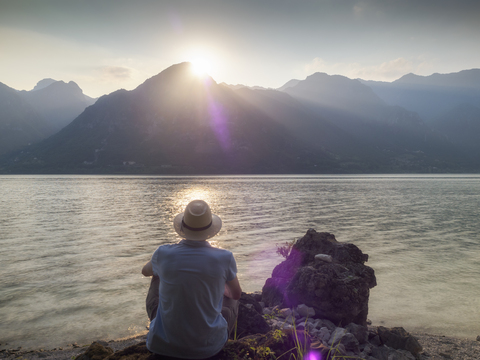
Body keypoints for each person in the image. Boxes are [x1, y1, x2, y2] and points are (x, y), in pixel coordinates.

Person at [142, 199, 242, 359]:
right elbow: (236, 294)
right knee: (232, 295)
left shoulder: (163, 253)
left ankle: (165, 328)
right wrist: (217, 288)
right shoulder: (225, 257)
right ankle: (211, 334)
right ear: (210, 228)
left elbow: (144, 271)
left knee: (156, 274)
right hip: (209, 350)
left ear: (182, 226)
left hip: (163, 347)